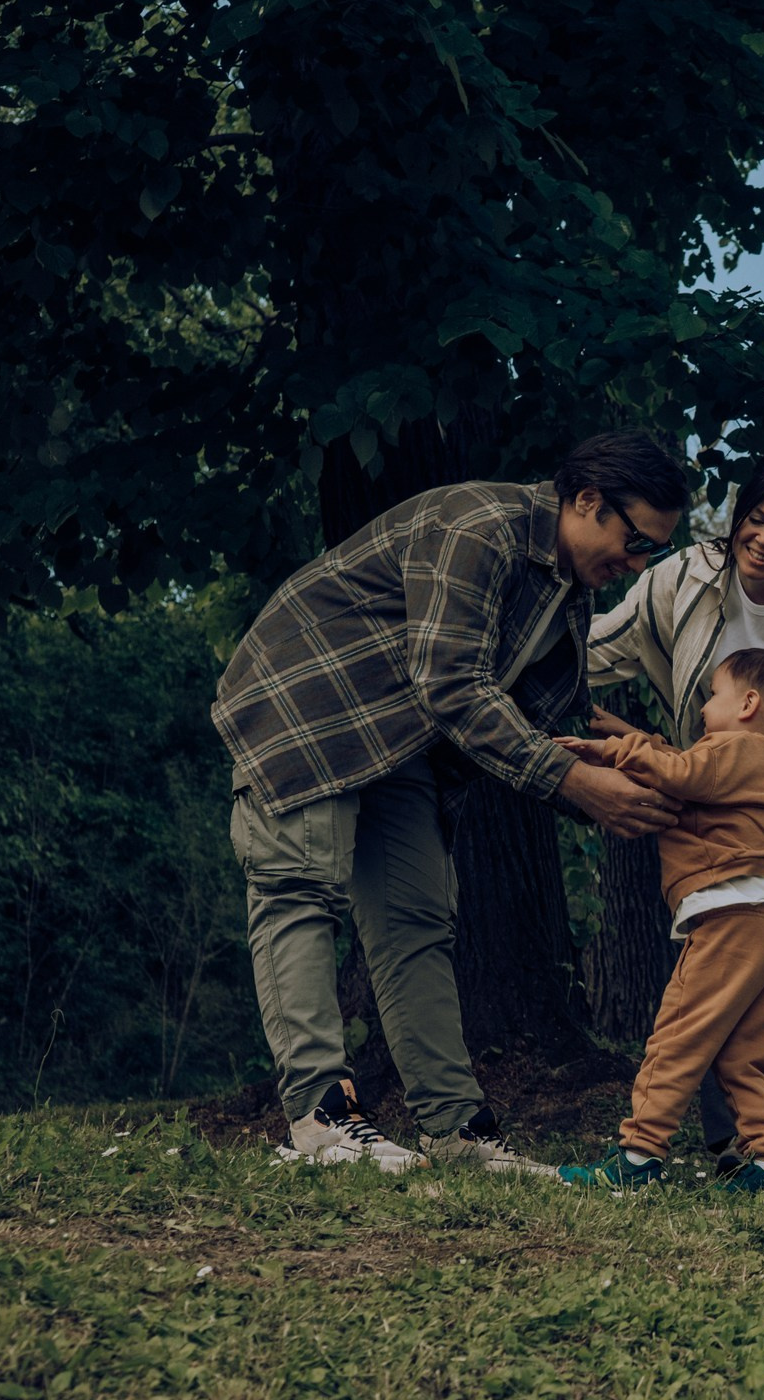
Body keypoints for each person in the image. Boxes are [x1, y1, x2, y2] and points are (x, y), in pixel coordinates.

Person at [212, 431, 691, 1173]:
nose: (635, 566)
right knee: (299, 886)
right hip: (307, 703)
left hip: (400, 736)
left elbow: (526, 730)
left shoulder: (562, 592)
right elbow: (453, 684)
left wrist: (619, 775)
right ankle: (320, 1121)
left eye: (651, 553)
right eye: (635, 542)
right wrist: (576, 784)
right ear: (587, 500)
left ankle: (455, 1131)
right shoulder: (480, 528)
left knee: (416, 916)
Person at [585, 458, 764, 1182]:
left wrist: (702, 770)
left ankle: (662, 1151)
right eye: (758, 519)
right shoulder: (686, 576)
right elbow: (605, 643)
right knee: (743, 1004)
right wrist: (541, 673)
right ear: (739, 515)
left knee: (716, 986)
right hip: (716, 790)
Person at [554, 649, 764, 1195]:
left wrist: (616, 748)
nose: (703, 709)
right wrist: (639, 740)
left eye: (714, 695)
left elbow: (684, 771)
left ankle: (638, 1154)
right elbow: (692, 768)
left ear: (748, 704)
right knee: (747, 1057)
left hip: (728, 926)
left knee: (677, 1037)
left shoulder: (737, 749)